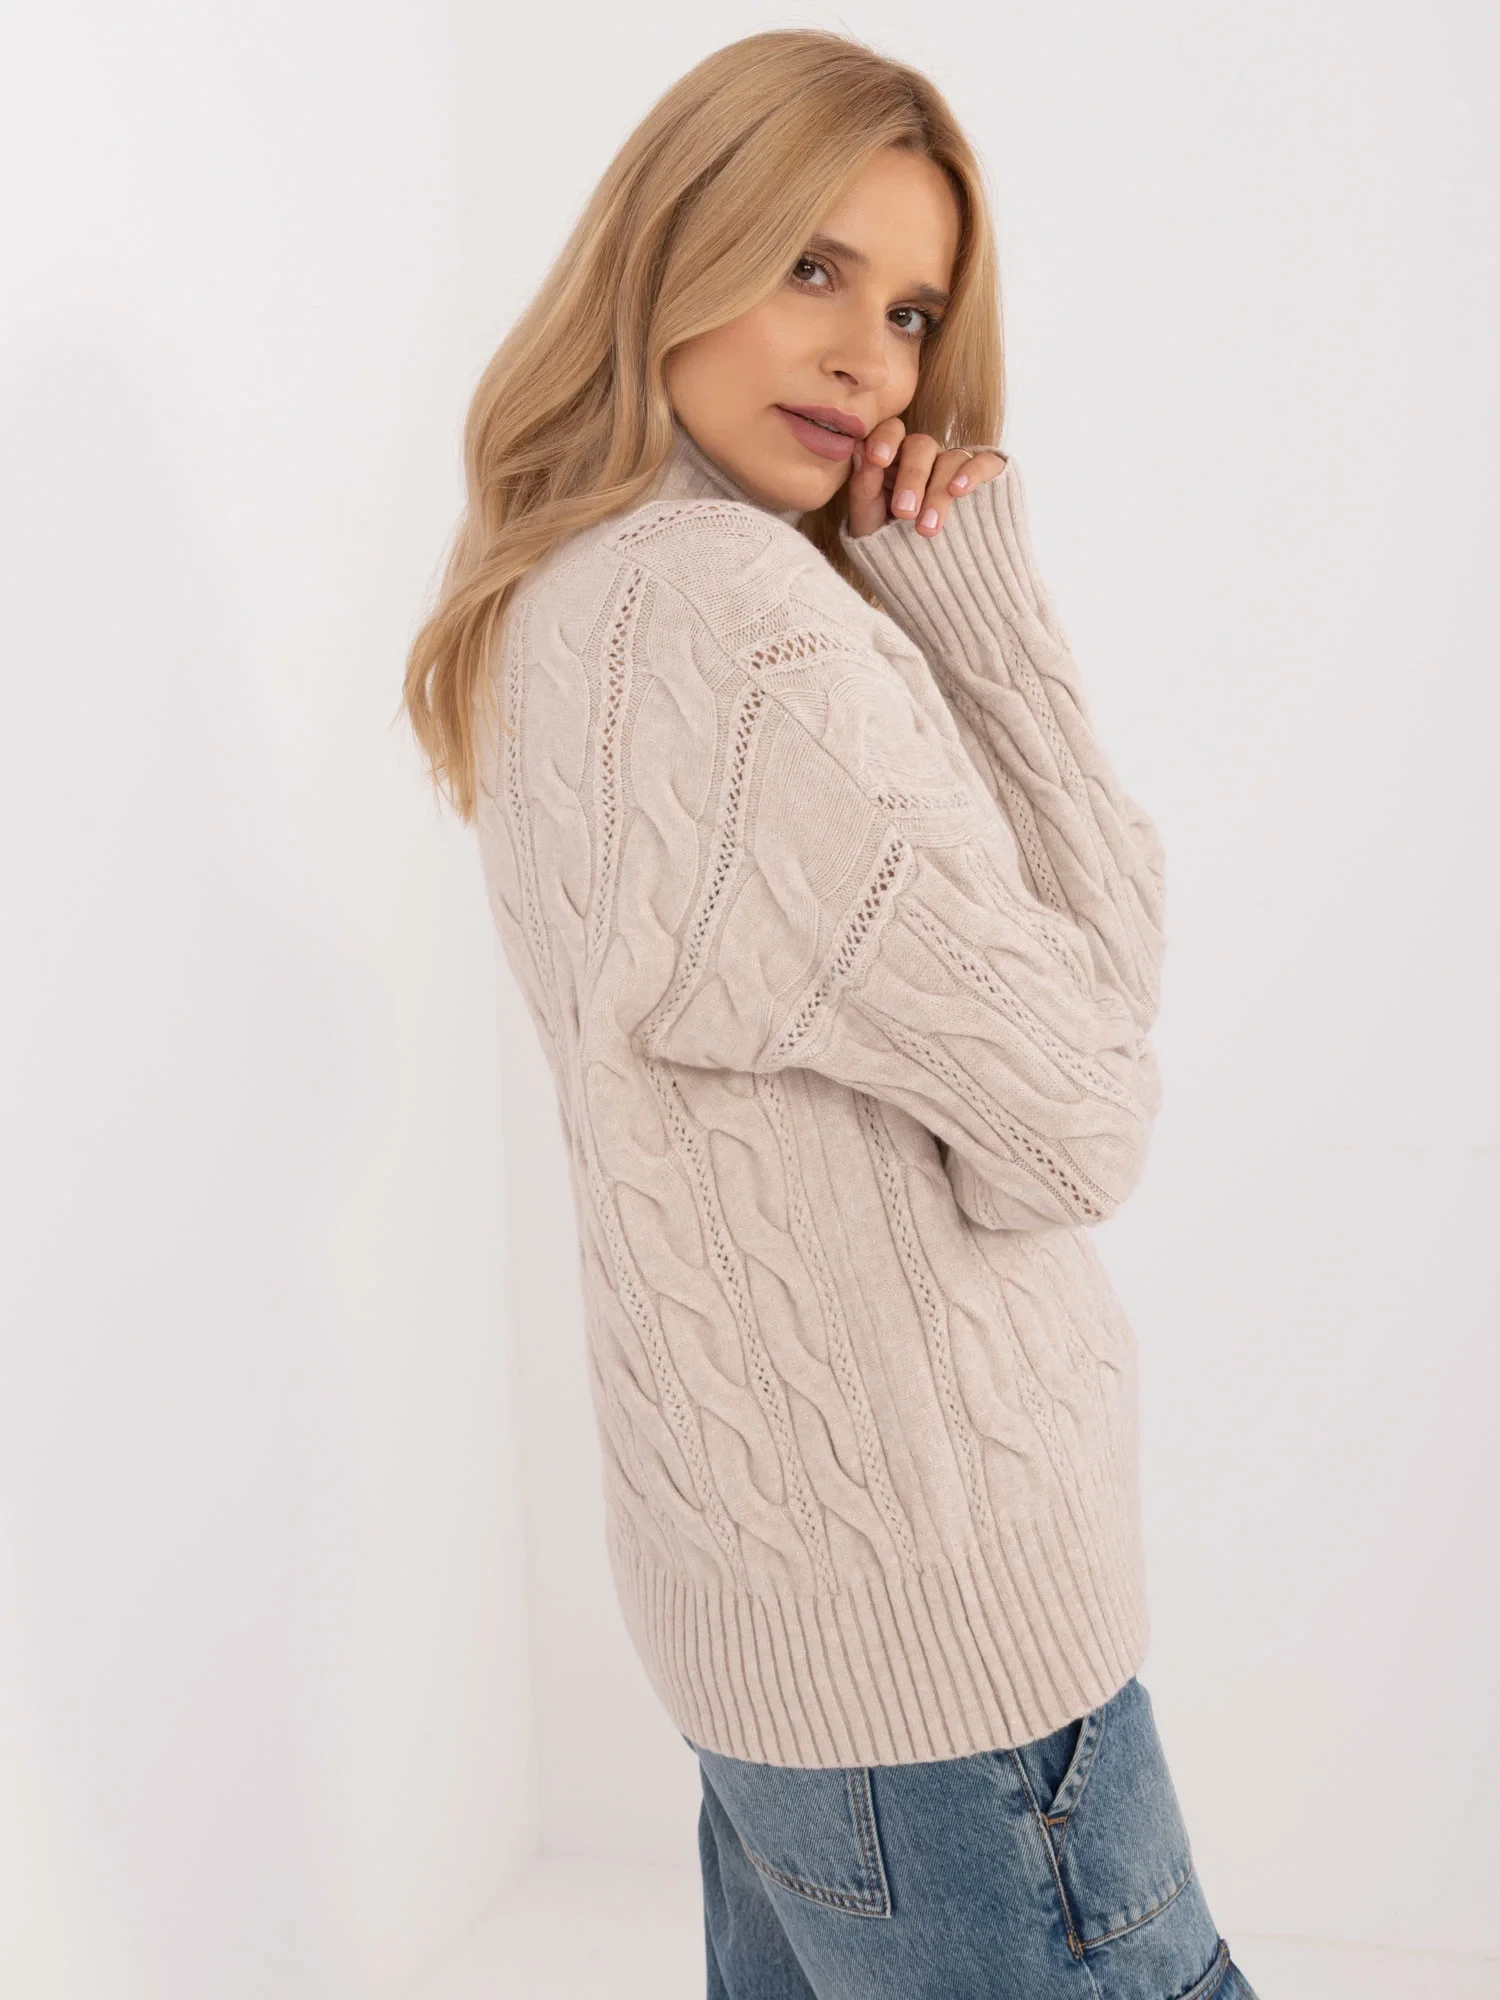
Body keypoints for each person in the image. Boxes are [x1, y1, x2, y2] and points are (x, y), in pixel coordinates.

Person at [402, 27, 1259, 2000]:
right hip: (948, 1650)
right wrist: (994, 626)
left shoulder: (560, 591)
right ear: (674, 241)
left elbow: (1061, 1042)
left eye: (913, 311)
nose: (873, 358)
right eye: (812, 266)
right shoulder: (750, 634)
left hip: (774, 1635)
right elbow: (1088, 1113)